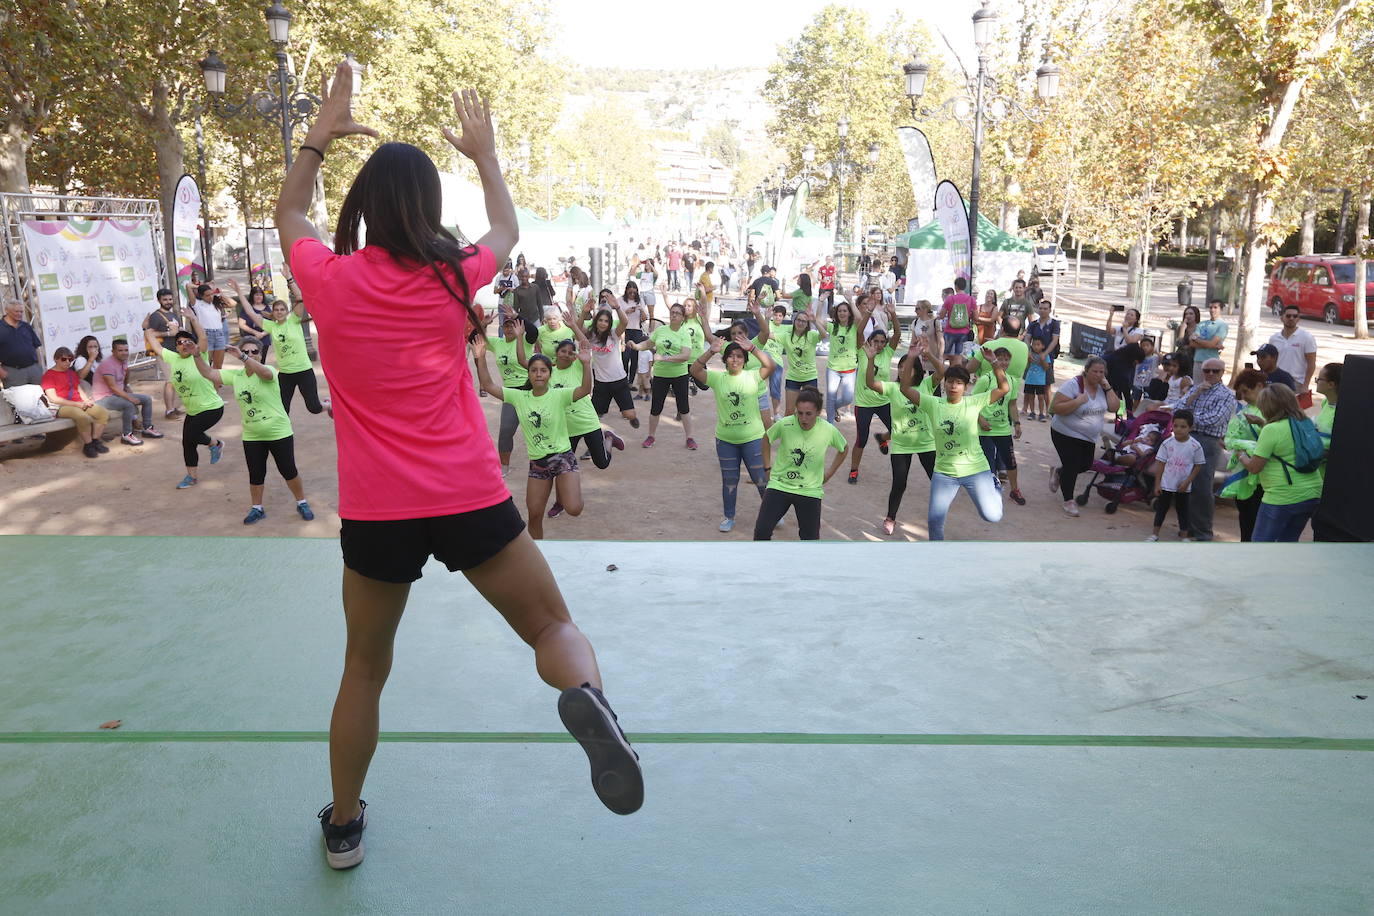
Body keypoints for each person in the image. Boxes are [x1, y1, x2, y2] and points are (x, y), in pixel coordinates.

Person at [280, 74, 641, 869]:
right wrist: (487, 155)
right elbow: (507, 227)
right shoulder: (454, 276)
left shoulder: (328, 279)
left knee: (364, 670)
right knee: (552, 628)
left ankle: (343, 828)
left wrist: (317, 134)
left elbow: (290, 212)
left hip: (379, 515)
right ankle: (590, 701)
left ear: (369, 206)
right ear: (429, 204)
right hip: (470, 496)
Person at [897, 334, 1010, 541]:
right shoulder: (933, 404)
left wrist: (994, 362)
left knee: (992, 516)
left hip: (975, 469)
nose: (953, 386)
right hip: (945, 473)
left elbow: (1004, 388)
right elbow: (904, 388)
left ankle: (994, 485)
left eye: (959, 383)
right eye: (950, 382)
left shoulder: (973, 402)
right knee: (934, 521)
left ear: (966, 387)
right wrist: (913, 356)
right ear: (944, 384)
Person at [475, 341, 593, 537]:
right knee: (535, 514)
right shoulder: (519, 396)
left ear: (549, 374)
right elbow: (488, 385)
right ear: (528, 374)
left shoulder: (559, 395)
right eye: (534, 370)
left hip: (563, 457)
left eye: (543, 370)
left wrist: (586, 364)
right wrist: (480, 358)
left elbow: (584, 389)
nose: (539, 374)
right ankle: (540, 551)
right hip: (538, 463)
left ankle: (571, 488)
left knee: (574, 508)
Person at [194, 341, 315, 524]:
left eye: (254, 351)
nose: (250, 353)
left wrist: (243, 357)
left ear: (260, 353)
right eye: (245, 351)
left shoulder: (270, 371)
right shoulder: (236, 376)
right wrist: (196, 355)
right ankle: (257, 508)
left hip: (278, 432)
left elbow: (265, 375)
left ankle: (302, 502)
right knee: (256, 473)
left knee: (288, 470)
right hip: (252, 435)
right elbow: (208, 373)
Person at [690, 333, 774, 532]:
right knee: (729, 480)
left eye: (739, 356)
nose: (735, 359)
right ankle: (729, 517)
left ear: (745, 361)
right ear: (725, 359)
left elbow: (770, 366)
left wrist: (752, 349)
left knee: (760, 478)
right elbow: (694, 370)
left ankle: (772, 514)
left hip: (753, 438)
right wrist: (711, 350)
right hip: (726, 441)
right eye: (731, 356)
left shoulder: (753, 376)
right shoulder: (718, 378)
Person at [751, 386, 848, 540]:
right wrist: (767, 468)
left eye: (809, 414)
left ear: (818, 412)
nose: (803, 418)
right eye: (800, 413)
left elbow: (844, 449)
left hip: (809, 490)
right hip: (780, 484)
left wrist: (829, 473)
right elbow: (766, 439)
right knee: (761, 532)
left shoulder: (828, 430)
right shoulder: (785, 424)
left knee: (810, 539)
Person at [866, 335, 938, 536]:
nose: (904, 370)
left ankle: (937, 516)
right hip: (901, 446)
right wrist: (871, 358)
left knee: (938, 480)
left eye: (909, 367)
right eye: (901, 367)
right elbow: (871, 383)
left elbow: (942, 371)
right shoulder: (893, 388)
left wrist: (928, 354)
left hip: (926, 444)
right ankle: (890, 517)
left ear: (918, 370)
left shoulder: (926, 386)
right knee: (899, 482)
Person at [1235, 384, 1324, 541]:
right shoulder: (1305, 422)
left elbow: (1254, 467)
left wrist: (1241, 455)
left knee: (1260, 545)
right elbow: (1286, 439)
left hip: (1281, 496)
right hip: (1312, 493)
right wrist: (1263, 423)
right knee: (1288, 543)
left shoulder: (1272, 430)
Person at [155, 307, 226, 488]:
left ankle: (215, 444)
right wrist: (146, 329)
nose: (184, 344)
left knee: (190, 436)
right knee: (188, 443)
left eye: (188, 341)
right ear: (176, 346)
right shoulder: (174, 358)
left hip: (211, 408)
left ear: (193, 345)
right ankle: (192, 476)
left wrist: (193, 319)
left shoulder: (199, 355)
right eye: (180, 342)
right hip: (193, 410)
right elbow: (155, 345)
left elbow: (202, 338)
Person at [1174, 357, 1237, 541]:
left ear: (1222, 373)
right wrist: (1194, 395)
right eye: (1207, 370)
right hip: (1188, 439)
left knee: (1202, 487)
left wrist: (1187, 419)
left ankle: (1203, 532)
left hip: (1208, 441)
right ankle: (1189, 527)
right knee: (1186, 484)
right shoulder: (1196, 388)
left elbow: (1214, 420)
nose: (1210, 374)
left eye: (1215, 371)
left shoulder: (1227, 395)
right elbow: (1176, 410)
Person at [1049, 355, 1118, 517]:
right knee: (1072, 466)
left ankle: (1059, 472)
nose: (1098, 375)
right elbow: (1056, 408)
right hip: (1064, 432)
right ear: (1086, 371)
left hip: (1088, 437)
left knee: (1085, 465)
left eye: (1102, 372)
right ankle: (1068, 501)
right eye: (1095, 371)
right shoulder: (1073, 385)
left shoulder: (1103, 387)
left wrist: (1108, 388)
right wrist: (1077, 402)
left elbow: (1114, 408)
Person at [627, 300, 695, 448]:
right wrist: (637, 346)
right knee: (656, 407)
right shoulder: (661, 330)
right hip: (661, 375)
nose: (674, 315)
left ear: (683, 317)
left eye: (677, 313)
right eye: (672, 312)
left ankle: (689, 438)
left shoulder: (684, 334)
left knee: (684, 407)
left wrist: (664, 358)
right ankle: (651, 436)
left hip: (679, 375)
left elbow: (685, 355)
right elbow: (649, 344)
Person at [847, 306, 900, 484]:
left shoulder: (887, 353)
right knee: (861, 439)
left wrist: (893, 314)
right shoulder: (862, 351)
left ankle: (882, 438)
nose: (878, 344)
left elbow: (898, 335)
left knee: (898, 430)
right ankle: (854, 470)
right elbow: (859, 330)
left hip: (883, 400)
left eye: (882, 341)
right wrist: (868, 312)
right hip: (863, 403)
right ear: (870, 341)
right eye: (875, 341)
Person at [575, 302, 639, 431]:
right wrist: (584, 312)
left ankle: (632, 417)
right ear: (596, 321)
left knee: (629, 414)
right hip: (601, 383)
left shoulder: (613, 334)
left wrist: (618, 307)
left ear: (609, 323)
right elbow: (577, 329)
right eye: (600, 320)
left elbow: (624, 322)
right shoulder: (591, 336)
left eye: (606, 321)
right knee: (594, 416)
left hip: (619, 381)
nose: (603, 323)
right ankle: (597, 444)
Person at [974, 346, 1025, 506]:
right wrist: (980, 419)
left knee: (1010, 461)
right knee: (988, 463)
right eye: (1000, 359)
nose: (1003, 362)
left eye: (1006, 359)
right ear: (993, 360)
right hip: (985, 429)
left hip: (1003, 428)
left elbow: (1012, 404)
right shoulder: (985, 379)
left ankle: (1014, 490)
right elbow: (971, 403)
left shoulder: (1012, 381)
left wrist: (1016, 423)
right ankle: (988, 493)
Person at [1222, 368, 1268, 541]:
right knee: (1246, 520)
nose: (1243, 396)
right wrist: (1246, 448)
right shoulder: (1243, 413)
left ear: (1259, 386)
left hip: (1268, 477)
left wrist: (1262, 425)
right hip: (1245, 477)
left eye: (1246, 391)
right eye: (1240, 393)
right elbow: (1230, 440)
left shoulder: (1275, 410)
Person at [1146, 408, 1205, 541]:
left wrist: (1187, 482)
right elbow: (1160, 463)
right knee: (1162, 508)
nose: (1178, 429)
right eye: (1176, 426)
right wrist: (1157, 483)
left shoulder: (1195, 446)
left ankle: (1184, 536)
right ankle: (1154, 534)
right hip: (1167, 484)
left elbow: (1198, 465)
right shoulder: (1167, 444)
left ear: (1190, 428)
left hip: (1183, 485)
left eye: (1183, 426)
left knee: (1182, 509)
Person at [40, 347, 111, 458]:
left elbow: (78, 389)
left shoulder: (71, 373)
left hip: (78, 403)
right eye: (64, 359)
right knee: (83, 417)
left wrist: (86, 400)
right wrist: (77, 404)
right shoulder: (49, 375)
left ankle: (95, 441)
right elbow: (53, 398)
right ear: (56, 359)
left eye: (70, 359)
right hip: (61, 407)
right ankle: (88, 445)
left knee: (102, 413)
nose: (68, 362)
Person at [93, 338, 164, 445]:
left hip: (117, 394)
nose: (124, 353)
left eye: (126, 350)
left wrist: (126, 386)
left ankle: (147, 428)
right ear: (113, 351)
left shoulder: (124, 360)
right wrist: (129, 397)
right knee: (128, 405)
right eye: (120, 350)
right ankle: (126, 435)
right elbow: (112, 387)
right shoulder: (107, 364)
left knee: (147, 399)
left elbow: (125, 374)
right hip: (103, 398)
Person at [264, 297, 327, 415]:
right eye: (276, 310)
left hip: (304, 371)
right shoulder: (271, 326)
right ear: (273, 312)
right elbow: (250, 313)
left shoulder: (294, 320)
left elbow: (300, 298)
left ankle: (328, 405)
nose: (279, 312)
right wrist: (239, 291)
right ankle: (284, 433)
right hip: (285, 374)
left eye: (282, 309)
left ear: (287, 312)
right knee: (282, 409)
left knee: (314, 408)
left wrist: (289, 279)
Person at [141, 289, 186, 417]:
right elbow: (149, 333)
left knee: (174, 381)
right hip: (163, 352)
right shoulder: (156, 316)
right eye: (165, 299)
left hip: (175, 351)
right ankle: (169, 410)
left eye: (170, 299)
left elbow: (176, 331)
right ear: (159, 300)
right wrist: (168, 334)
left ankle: (172, 408)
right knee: (170, 381)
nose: (168, 302)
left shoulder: (174, 315)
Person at [780, 301, 827, 417]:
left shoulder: (811, 335)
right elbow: (767, 334)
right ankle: (789, 434)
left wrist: (814, 320)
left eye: (804, 321)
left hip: (810, 377)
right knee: (789, 412)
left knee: (811, 411)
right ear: (794, 321)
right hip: (793, 378)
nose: (800, 323)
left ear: (807, 324)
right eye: (798, 320)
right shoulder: (786, 336)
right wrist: (765, 318)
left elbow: (824, 335)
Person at [1267, 304, 1318, 402]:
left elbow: (1311, 363)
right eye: (1288, 316)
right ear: (1282, 318)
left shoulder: (1307, 338)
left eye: (1295, 316)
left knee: (1292, 414)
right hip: (1276, 381)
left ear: (1298, 319)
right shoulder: (1274, 338)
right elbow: (1269, 362)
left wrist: (1305, 385)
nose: (1291, 318)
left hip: (1296, 383)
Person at [824, 299, 862, 424]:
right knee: (831, 397)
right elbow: (818, 320)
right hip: (833, 369)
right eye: (839, 311)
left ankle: (833, 407)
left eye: (845, 311)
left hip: (850, 369)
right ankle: (830, 426)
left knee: (847, 398)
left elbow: (859, 317)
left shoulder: (854, 326)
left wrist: (851, 300)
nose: (842, 313)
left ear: (849, 313)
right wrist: (820, 301)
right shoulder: (832, 326)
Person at [0, 297, 44, 388]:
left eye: (21, 312)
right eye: (16, 311)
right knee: (18, 401)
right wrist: (2, 373)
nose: (19, 314)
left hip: (33, 369)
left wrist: (39, 366)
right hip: (12, 372)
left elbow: (36, 346)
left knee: (39, 398)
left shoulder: (26, 326)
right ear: (7, 311)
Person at [229, 278, 274, 360]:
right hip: (250, 340)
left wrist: (262, 334)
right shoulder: (247, 308)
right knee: (249, 361)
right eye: (256, 295)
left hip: (264, 340)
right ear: (252, 296)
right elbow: (241, 324)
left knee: (262, 360)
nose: (258, 297)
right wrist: (255, 332)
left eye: (260, 295)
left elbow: (272, 324)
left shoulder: (267, 308)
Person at [191, 283, 231, 369]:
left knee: (218, 365)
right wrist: (200, 287)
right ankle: (207, 382)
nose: (210, 297)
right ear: (201, 296)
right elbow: (188, 286)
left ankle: (217, 382)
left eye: (211, 294)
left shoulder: (216, 303)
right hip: (207, 334)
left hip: (219, 333)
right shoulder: (197, 304)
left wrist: (220, 293)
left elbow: (231, 303)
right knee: (206, 364)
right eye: (207, 295)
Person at [937, 277, 975, 364]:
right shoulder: (971, 299)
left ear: (956, 287)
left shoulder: (949, 299)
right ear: (965, 286)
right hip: (963, 331)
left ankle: (939, 373)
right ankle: (956, 376)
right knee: (959, 356)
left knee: (944, 355)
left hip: (950, 330)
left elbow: (942, 316)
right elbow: (976, 317)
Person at [1189, 299, 1228, 367]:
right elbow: (1192, 343)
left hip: (1212, 361)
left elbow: (1211, 343)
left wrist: (1196, 339)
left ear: (1221, 309)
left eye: (1215, 307)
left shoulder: (1222, 325)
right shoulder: (1201, 324)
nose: (1212, 310)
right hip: (1198, 360)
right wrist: (1214, 346)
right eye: (1210, 307)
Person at [1022, 337, 1051, 422]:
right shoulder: (1030, 354)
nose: (1035, 347)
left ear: (1043, 346)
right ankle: (1032, 412)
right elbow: (1025, 366)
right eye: (1034, 344)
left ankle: (1041, 414)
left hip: (1040, 381)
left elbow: (1046, 368)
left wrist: (1042, 360)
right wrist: (1028, 360)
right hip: (1030, 380)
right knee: (1031, 396)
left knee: (1041, 397)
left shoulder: (1045, 355)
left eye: (1038, 345)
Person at [1172, 305, 1201, 379]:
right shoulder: (1181, 327)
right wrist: (1182, 329)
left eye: (1191, 314)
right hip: (1181, 358)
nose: (1188, 316)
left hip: (1194, 358)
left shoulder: (1200, 328)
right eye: (1186, 314)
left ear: (1196, 315)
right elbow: (1178, 343)